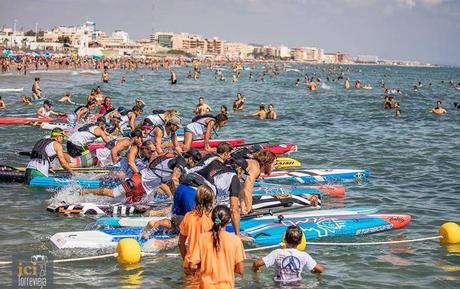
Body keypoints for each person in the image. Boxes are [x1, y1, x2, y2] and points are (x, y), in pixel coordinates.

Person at [81, 150, 200, 203]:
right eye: (193, 162)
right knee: (113, 193)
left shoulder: (173, 156)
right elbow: (174, 178)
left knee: (129, 203)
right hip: (138, 181)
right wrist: (179, 197)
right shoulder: (181, 161)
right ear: (189, 158)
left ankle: (103, 204)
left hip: (144, 187)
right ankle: (84, 191)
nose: (192, 165)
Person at [189, 205, 245, 289]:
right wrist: (227, 267)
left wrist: (204, 266)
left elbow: (192, 266)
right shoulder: (235, 240)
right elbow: (240, 270)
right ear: (229, 220)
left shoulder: (202, 238)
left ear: (212, 218)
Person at [252, 226, 323, 284]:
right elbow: (320, 269)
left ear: (284, 239)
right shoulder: (304, 255)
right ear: (301, 241)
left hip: (279, 285)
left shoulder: (277, 253)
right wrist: (314, 271)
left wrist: (256, 271)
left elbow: (256, 263)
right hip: (297, 285)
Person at [178, 185, 214, 274]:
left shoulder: (188, 216)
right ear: (210, 200)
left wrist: (186, 259)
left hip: (190, 263)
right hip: (207, 263)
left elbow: (180, 243)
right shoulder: (213, 217)